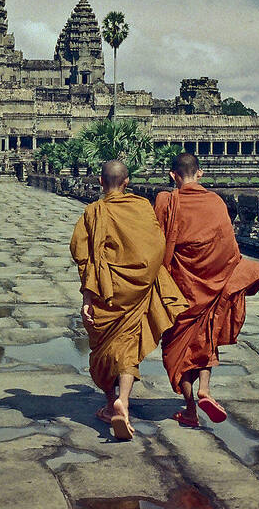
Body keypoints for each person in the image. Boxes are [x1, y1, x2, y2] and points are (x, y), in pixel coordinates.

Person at [155, 152, 259, 428]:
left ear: (172, 176)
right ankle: (205, 389)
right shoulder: (216, 202)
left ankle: (190, 409)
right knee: (206, 340)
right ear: (200, 173)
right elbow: (229, 248)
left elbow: (157, 244)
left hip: (181, 290)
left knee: (178, 350)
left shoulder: (167, 202)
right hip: (213, 286)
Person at [70, 160, 189, 440]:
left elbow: (82, 254)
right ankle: (124, 400)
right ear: (127, 183)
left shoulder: (93, 212)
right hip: (135, 291)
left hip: (105, 290)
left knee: (102, 348)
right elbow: (156, 246)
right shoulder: (141, 207)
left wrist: (88, 293)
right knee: (128, 346)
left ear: (100, 182)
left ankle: (112, 402)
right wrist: (146, 280)